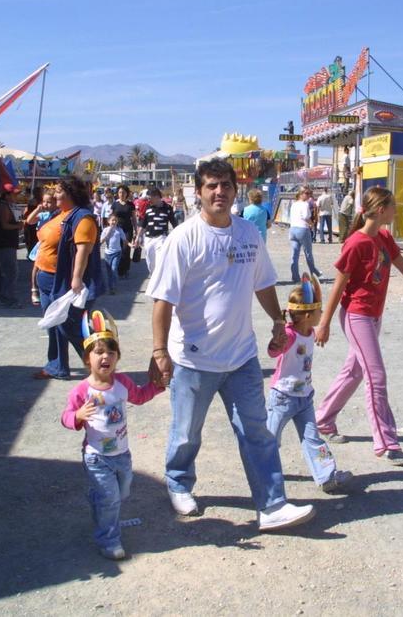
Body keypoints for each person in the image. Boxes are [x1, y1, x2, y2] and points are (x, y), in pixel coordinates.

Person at [147, 158, 315, 532]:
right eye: (211, 186)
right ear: (199, 192)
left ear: (235, 190)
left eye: (225, 185)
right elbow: (162, 300)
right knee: (187, 432)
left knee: (257, 431)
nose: (219, 192)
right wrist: (159, 353)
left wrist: (276, 320)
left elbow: (263, 282)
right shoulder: (183, 238)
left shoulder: (248, 234)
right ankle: (178, 482)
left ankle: (272, 505)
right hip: (193, 359)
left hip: (241, 357)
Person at [315, 186, 403, 466]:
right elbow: (338, 286)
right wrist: (324, 324)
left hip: (373, 316)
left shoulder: (383, 237)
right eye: (393, 206)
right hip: (357, 316)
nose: (397, 211)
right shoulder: (355, 243)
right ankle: (387, 442)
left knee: (356, 370)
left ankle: (323, 420)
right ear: (381, 210)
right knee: (376, 377)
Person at [61, 310, 164, 560]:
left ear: (117, 357)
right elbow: (66, 416)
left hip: (122, 454)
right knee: (110, 498)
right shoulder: (81, 391)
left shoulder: (123, 383)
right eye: (99, 352)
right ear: (87, 359)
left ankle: (100, 503)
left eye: (111, 352)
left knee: (121, 493)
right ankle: (109, 540)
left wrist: (157, 386)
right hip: (96, 457)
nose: (105, 356)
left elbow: (139, 396)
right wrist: (77, 417)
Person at [266, 275, 352, 493]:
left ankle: (327, 475)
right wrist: (276, 342)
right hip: (282, 397)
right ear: (306, 315)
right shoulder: (290, 334)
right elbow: (273, 351)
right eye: (319, 312)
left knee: (314, 439)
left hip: (304, 398)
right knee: (270, 437)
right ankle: (263, 471)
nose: (322, 315)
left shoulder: (310, 331)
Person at [33, 176, 104, 380]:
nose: (54, 194)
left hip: (65, 283)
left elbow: (83, 250)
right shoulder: (62, 214)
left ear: (71, 193)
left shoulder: (83, 218)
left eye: (58, 190)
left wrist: (76, 278)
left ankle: (100, 365)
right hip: (47, 279)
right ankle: (57, 366)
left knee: (71, 326)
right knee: (54, 324)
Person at [0, 184, 23, 308]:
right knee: (11, 272)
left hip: (8, 243)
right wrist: (18, 226)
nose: (16, 197)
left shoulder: (7, 206)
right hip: (5, 243)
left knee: (10, 272)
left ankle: (6, 295)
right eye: (14, 194)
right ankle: (9, 297)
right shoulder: (4, 207)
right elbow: (5, 225)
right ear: (7, 195)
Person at [25, 190, 56, 306]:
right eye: (44, 201)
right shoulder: (43, 215)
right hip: (42, 245)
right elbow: (29, 220)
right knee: (36, 267)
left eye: (49, 202)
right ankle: (34, 289)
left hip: (52, 246)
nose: (46, 204)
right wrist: (37, 209)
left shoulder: (58, 215)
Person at [288, 186, 321, 280]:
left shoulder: (294, 204)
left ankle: (295, 276)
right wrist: (312, 224)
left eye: (309, 193)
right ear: (301, 194)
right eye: (307, 193)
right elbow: (306, 217)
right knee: (308, 253)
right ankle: (313, 273)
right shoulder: (305, 204)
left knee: (294, 254)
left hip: (293, 229)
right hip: (302, 229)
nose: (308, 195)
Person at [139, 186, 174, 271]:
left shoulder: (168, 208)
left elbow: (174, 223)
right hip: (148, 239)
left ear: (157, 196)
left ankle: (158, 280)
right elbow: (143, 224)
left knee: (160, 262)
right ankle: (153, 275)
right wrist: (137, 238)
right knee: (151, 263)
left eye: (150, 198)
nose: (148, 200)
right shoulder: (148, 208)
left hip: (161, 238)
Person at [110, 186, 137, 279]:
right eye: (120, 192)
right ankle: (120, 270)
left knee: (126, 249)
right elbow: (111, 217)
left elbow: (134, 218)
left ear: (127, 193)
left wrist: (136, 230)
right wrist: (109, 229)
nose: (122, 194)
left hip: (127, 229)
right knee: (119, 249)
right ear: (118, 193)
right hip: (117, 229)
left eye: (124, 192)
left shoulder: (131, 204)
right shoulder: (114, 204)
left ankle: (125, 269)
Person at [100, 214, 126, 295]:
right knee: (109, 272)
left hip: (117, 252)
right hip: (107, 254)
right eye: (112, 220)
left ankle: (114, 287)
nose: (114, 222)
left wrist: (130, 245)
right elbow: (101, 241)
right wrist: (108, 232)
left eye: (115, 220)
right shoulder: (105, 230)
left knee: (113, 269)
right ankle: (110, 288)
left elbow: (125, 240)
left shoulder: (119, 230)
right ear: (108, 221)